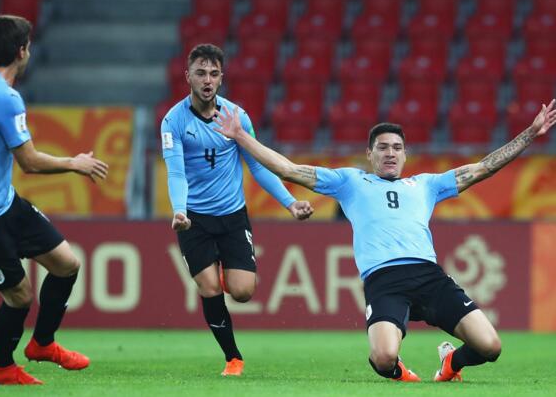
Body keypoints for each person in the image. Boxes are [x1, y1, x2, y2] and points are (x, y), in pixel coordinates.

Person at [213, 100, 556, 382]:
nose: (390, 153)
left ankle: (451, 362)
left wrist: (530, 134)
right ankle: (401, 373)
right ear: (370, 153)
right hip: (384, 281)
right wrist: (241, 136)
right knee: (383, 358)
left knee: (490, 347)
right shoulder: (350, 182)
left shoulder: (426, 184)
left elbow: (483, 168)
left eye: (397, 148)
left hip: (429, 276)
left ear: (405, 154)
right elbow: (289, 169)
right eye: (382, 148)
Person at [0, 15, 109, 385]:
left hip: (4, 203)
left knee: (66, 264)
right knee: (20, 296)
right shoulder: (5, 98)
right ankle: (0, 365)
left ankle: (42, 343)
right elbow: (29, 162)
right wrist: (74, 163)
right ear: (22, 51)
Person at [161, 43, 313, 376]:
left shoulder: (236, 117)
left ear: (221, 78)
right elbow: (176, 172)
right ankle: (233, 358)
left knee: (243, 291)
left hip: (232, 216)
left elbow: (257, 167)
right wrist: (179, 210)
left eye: (214, 74)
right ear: (187, 76)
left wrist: (290, 203)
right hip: (193, 220)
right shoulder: (173, 121)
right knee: (209, 288)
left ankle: (226, 271)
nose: (207, 80)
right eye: (201, 73)